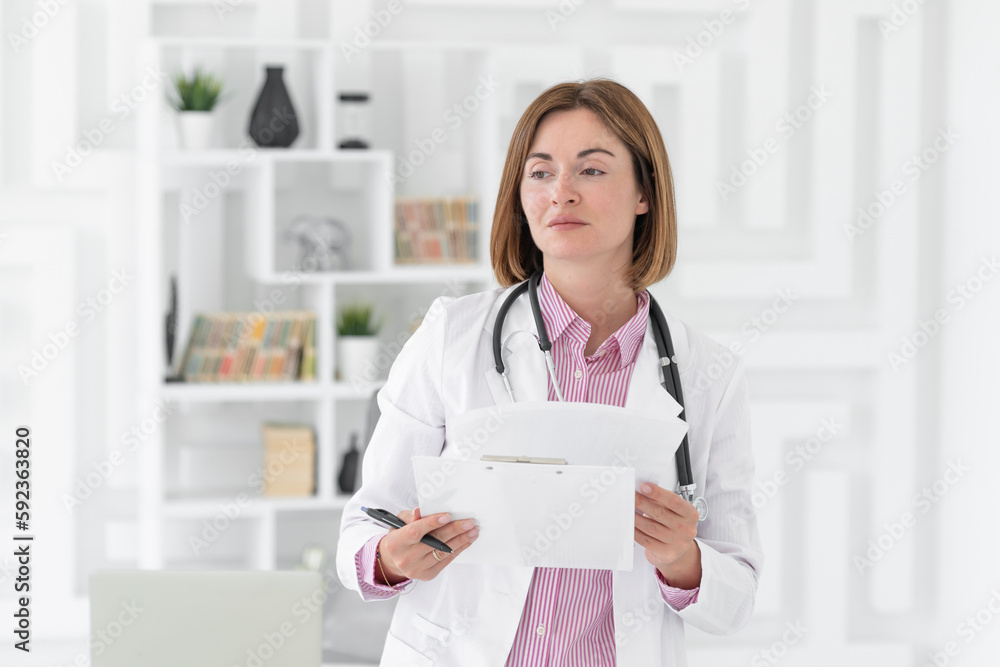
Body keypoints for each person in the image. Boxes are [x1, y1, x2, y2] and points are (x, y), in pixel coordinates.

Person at [336, 78, 763, 666]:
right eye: (540, 173)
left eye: (591, 170)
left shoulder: (708, 372)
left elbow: (736, 595)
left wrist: (682, 559)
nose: (561, 192)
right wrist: (389, 557)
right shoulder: (450, 336)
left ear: (645, 193)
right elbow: (363, 525)